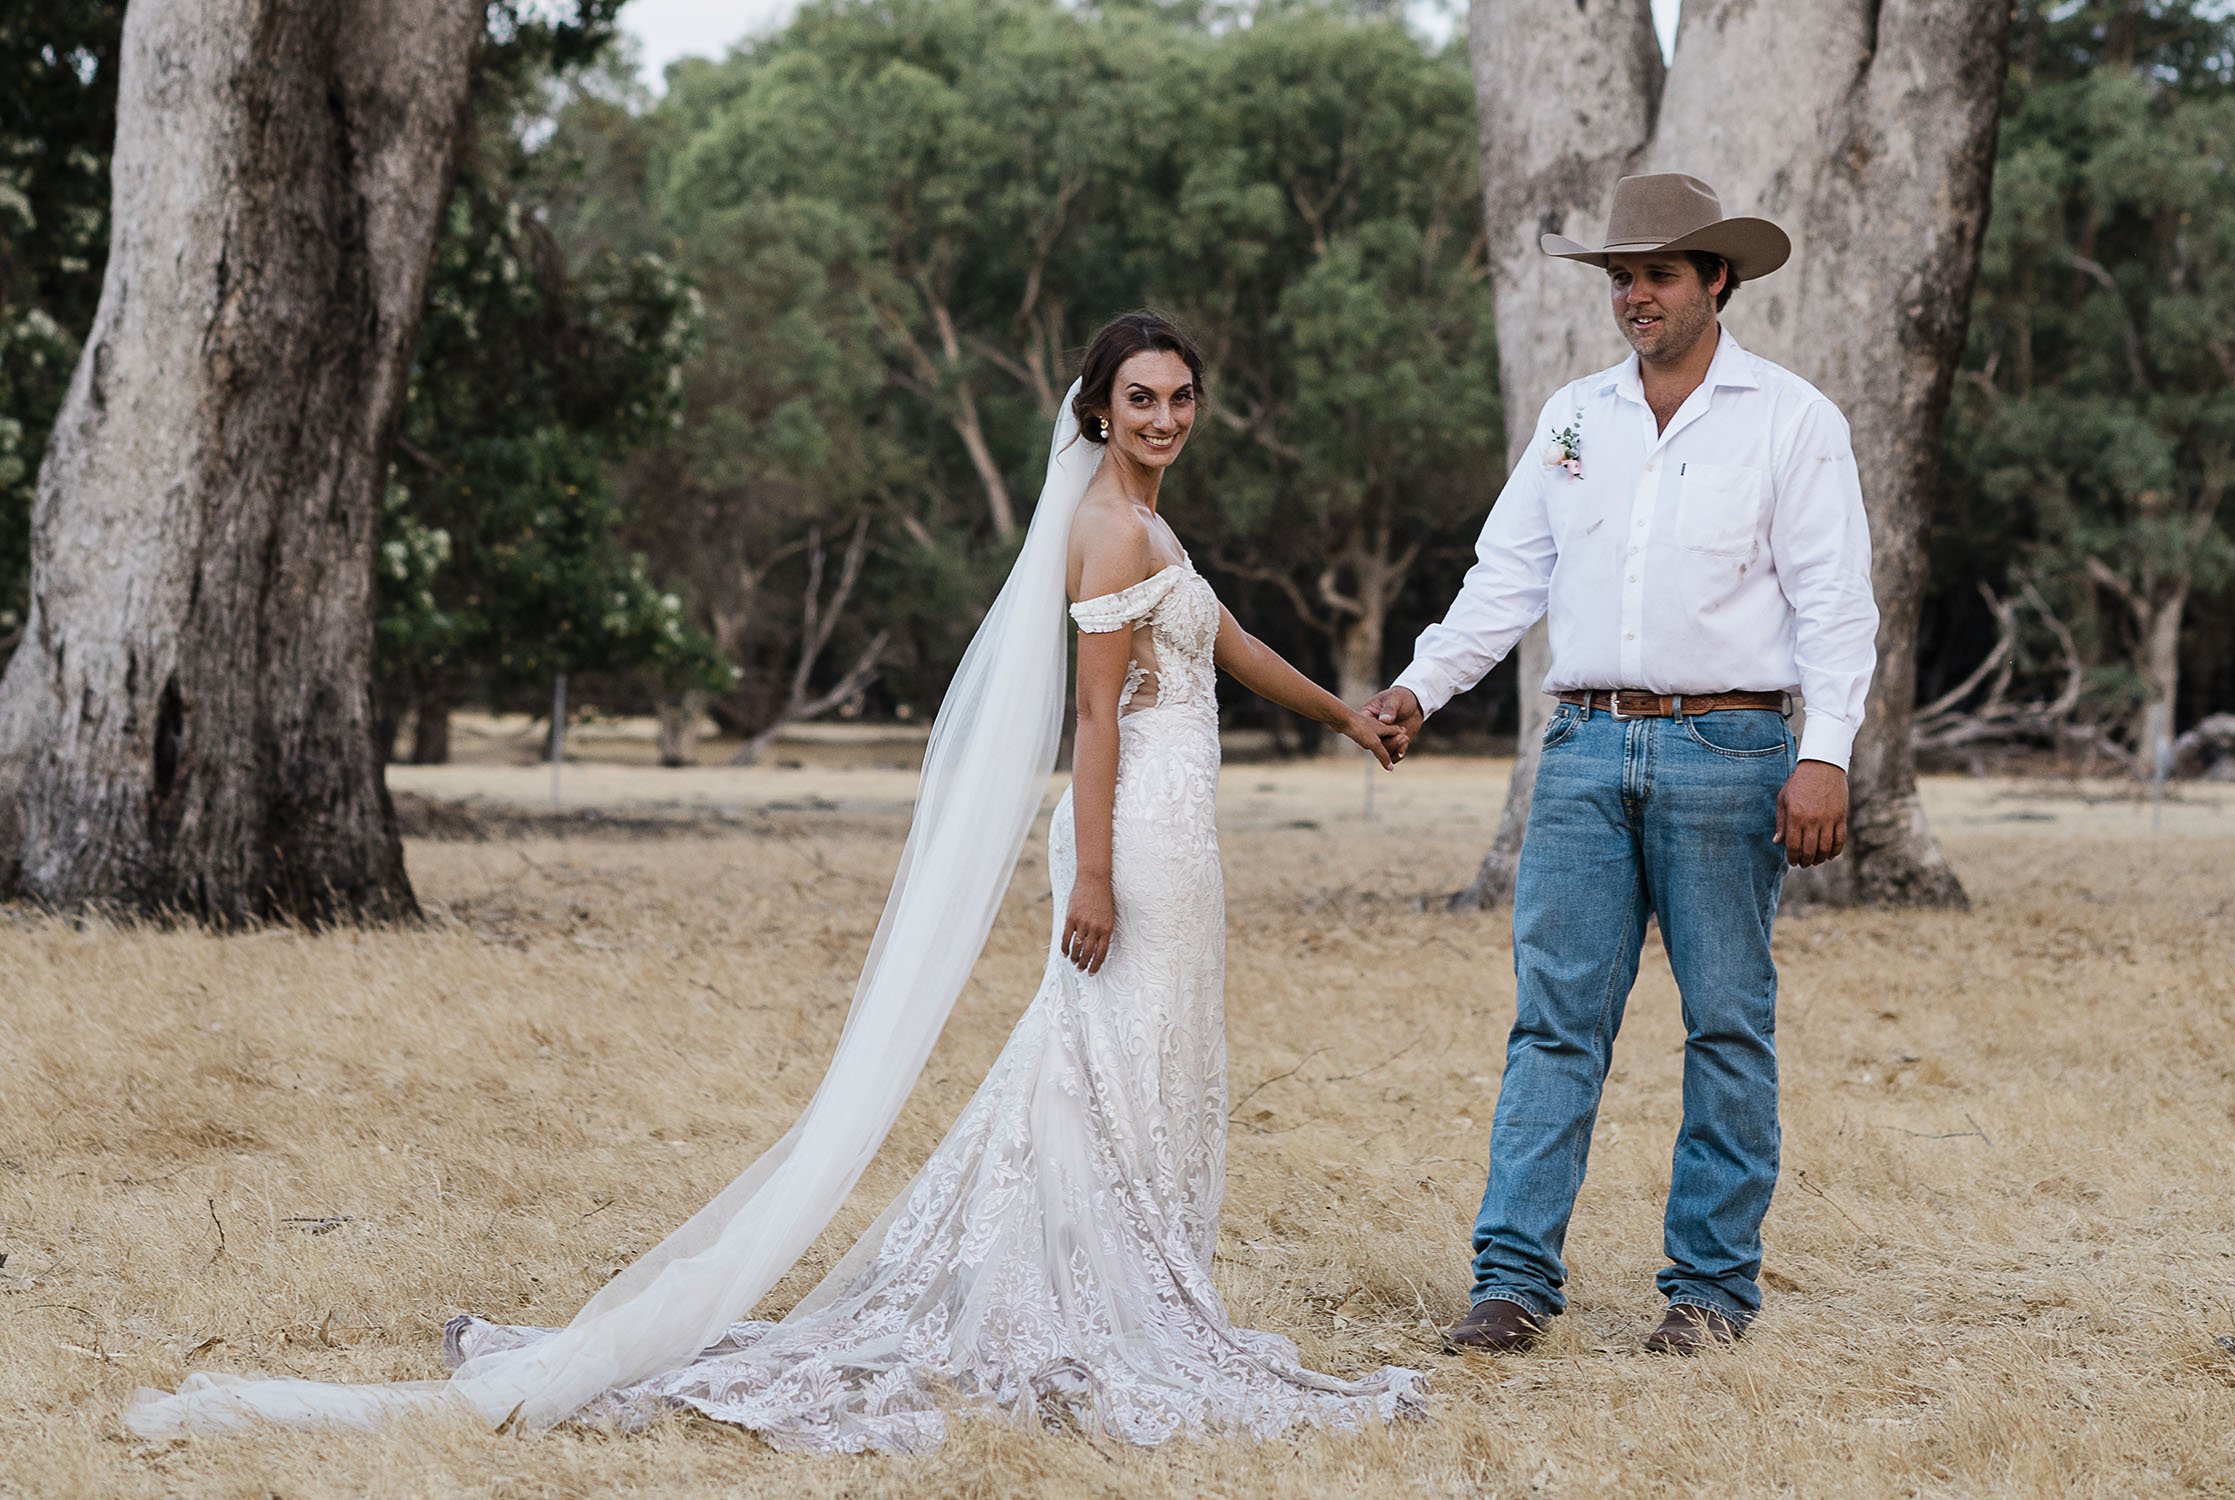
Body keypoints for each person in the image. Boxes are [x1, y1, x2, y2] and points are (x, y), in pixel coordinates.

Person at [128, 312, 1423, 1450]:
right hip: (1129, 834)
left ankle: (1130, 1292)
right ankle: (1085, 1308)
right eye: (1140, 397)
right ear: (1096, 409)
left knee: (1138, 1072)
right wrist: (1089, 876)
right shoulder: (1101, 528)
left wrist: (1345, 717)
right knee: (1095, 1063)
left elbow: (1230, 640)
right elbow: (1095, 724)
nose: (1164, 416)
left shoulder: (1150, 522)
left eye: (1180, 396)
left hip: (1180, 839)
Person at [1366, 173, 1879, 1357]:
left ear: (1718, 281)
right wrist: (1421, 685)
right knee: (1554, 1024)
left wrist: (1824, 755)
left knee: (1728, 1026)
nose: (1634, 296)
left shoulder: (1791, 419)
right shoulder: (1576, 418)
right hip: (1586, 746)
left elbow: (1835, 606)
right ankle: (1513, 1283)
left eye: (1657, 274)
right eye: (1619, 277)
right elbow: (1507, 578)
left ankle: (1707, 1292)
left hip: (1730, 744)